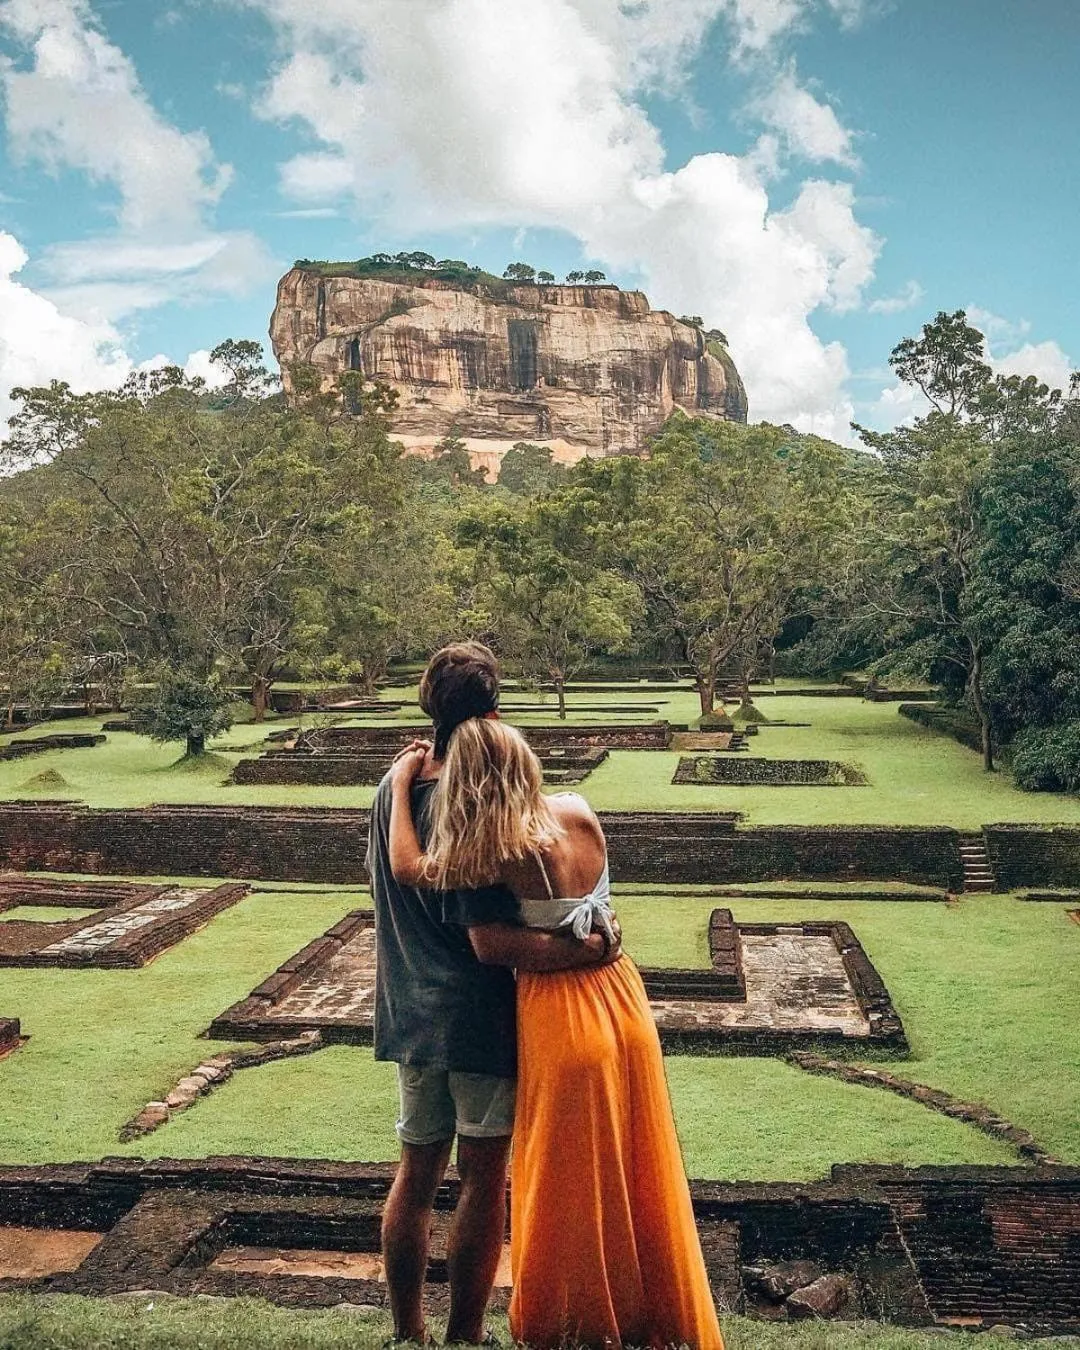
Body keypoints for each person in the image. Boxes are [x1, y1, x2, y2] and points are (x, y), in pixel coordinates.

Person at [388, 697, 724, 1349]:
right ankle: (652, 1311)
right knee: (639, 1166)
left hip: (559, 1013)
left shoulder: (495, 849)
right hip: (622, 999)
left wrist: (403, 784)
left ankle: (574, 1321)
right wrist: (597, 945)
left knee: (564, 1182)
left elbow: (412, 872)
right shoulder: (578, 811)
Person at [368, 642, 616, 1346]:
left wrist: (399, 775)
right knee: (482, 1179)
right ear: (495, 710)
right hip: (477, 1014)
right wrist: (582, 949)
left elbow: (399, 874)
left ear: (428, 706)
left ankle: (408, 1334)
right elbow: (489, 939)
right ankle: (465, 1335)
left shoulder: (396, 788)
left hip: (409, 1007)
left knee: (415, 1172)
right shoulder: (478, 798)